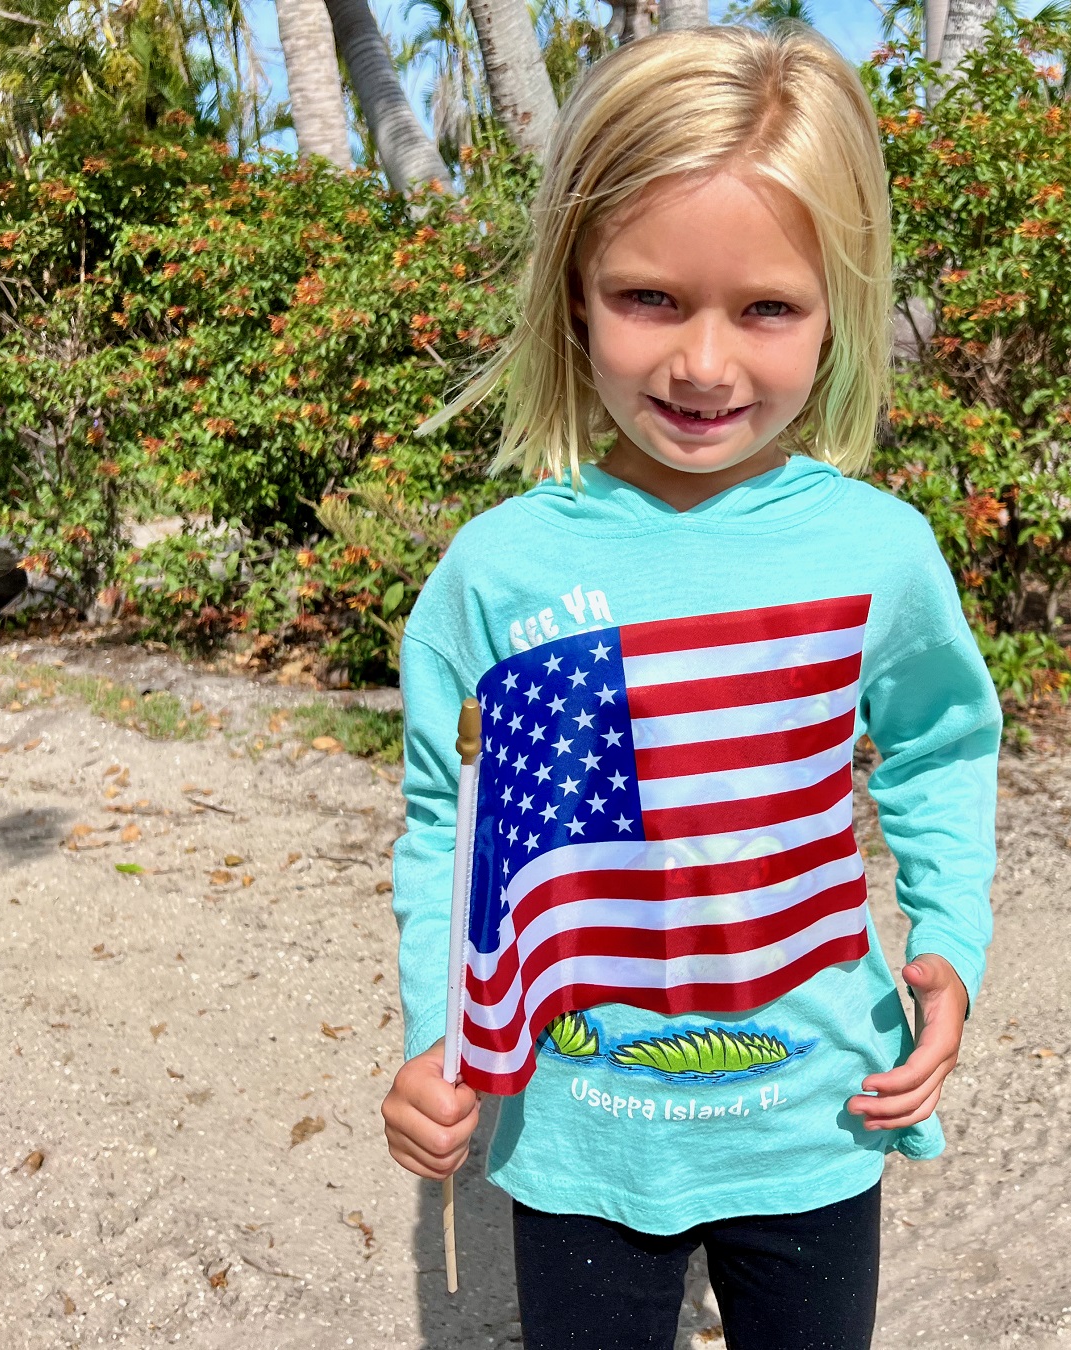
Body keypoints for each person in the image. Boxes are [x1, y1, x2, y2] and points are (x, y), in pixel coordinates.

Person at [382, 25, 1001, 1350]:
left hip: (817, 1122)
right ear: (573, 293)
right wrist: (440, 1032)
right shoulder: (497, 572)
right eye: (650, 298)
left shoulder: (879, 553)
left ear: (839, 309)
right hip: (580, 1138)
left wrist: (950, 942)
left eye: (767, 308)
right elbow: (452, 823)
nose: (705, 364)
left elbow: (941, 746)